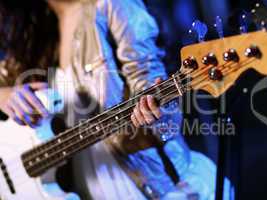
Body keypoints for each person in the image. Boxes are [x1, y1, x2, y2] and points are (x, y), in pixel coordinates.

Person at [0, 0, 231, 199]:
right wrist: (4, 95)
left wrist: (155, 114)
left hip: (153, 189)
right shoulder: (30, 33)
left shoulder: (111, 4)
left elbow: (151, 87)